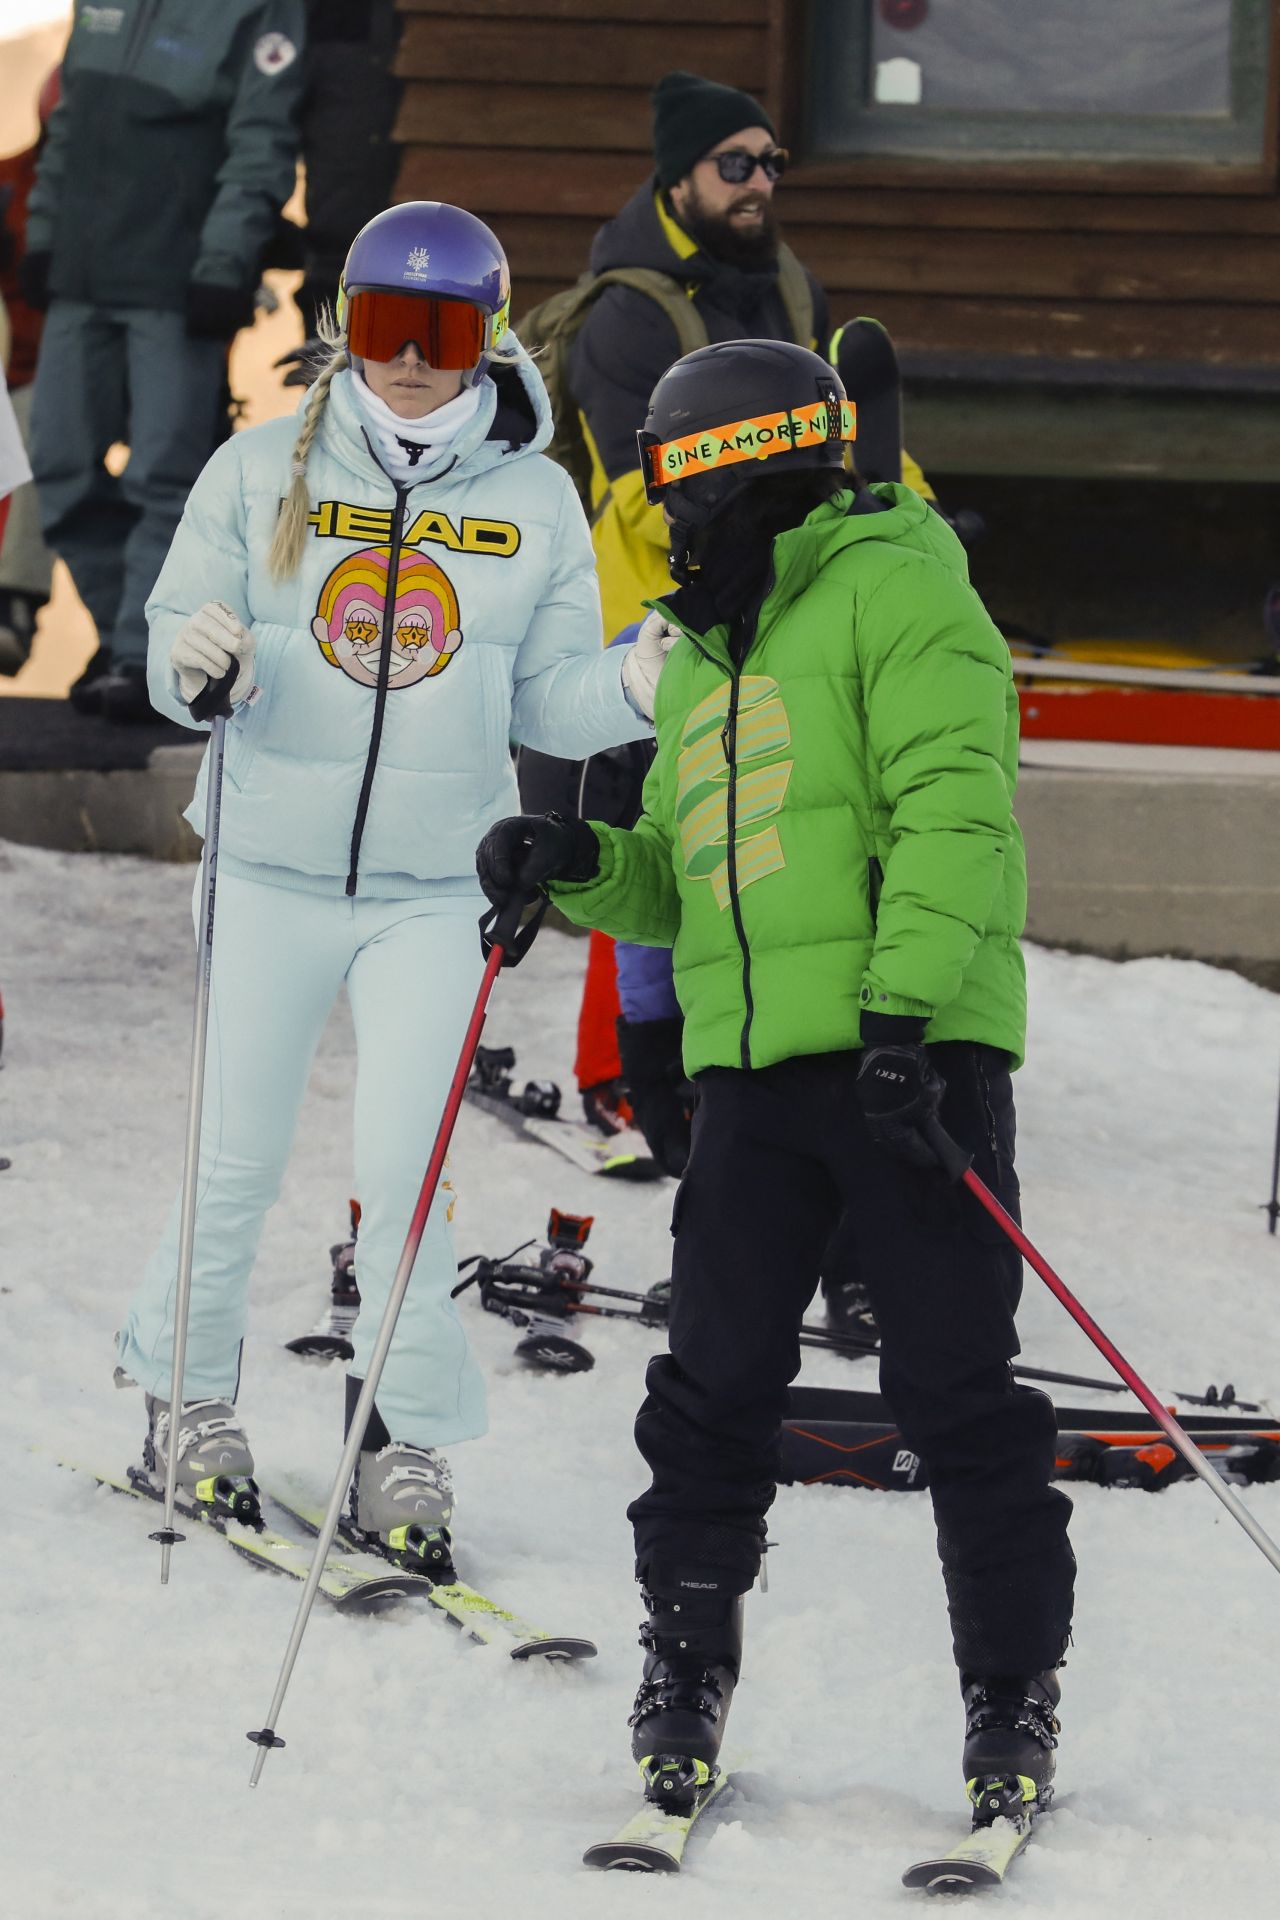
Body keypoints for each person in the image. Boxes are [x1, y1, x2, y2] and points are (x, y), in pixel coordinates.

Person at [477, 339, 1076, 1825]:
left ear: (762, 461)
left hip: (906, 1064)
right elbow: (696, 886)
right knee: (711, 1387)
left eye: (682, 478)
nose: (669, 516)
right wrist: (578, 867)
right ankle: (686, 1667)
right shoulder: (706, 648)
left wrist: (905, 1017)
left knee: (954, 1392)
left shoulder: (904, 586)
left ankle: (1010, 1693)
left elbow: (960, 813)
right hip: (756, 1075)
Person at [113, 201, 664, 1569]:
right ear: (343, 325)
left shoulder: (534, 500)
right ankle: (181, 1400)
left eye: (443, 332)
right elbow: (173, 634)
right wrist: (202, 663)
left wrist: (642, 680)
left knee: (406, 1175)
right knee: (234, 1157)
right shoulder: (261, 468)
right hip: (268, 872)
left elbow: (552, 697)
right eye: (381, 328)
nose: (409, 361)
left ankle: (399, 1434)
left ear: (485, 338)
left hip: (431, 890)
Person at [20, 1, 306, 723]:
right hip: (80, 277)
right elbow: (69, 125)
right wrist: (44, 232)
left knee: (164, 480)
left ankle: (136, 658)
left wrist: (224, 262)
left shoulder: (262, 9)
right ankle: (141, 639)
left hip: (178, 285)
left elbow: (261, 141)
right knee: (57, 466)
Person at [0, 67, 59, 678]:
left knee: (31, 426)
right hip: (11, 366)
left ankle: (11, 601)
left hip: (62, 379)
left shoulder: (119, 195)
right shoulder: (6, 183)